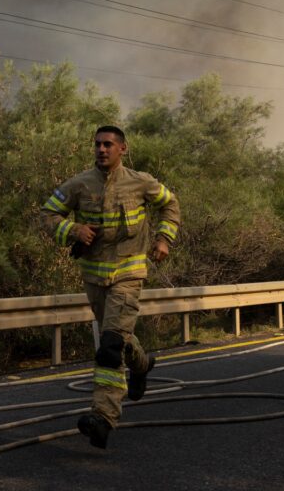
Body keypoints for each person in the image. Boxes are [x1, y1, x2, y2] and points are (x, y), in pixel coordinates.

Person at [41, 125, 181, 449]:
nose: (102, 150)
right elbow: (47, 213)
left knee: (109, 347)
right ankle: (142, 365)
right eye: (98, 145)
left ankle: (103, 418)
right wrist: (73, 229)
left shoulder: (141, 182)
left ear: (123, 149)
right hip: (95, 279)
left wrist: (163, 239)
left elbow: (170, 204)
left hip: (129, 274)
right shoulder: (79, 184)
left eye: (108, 145)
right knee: (116, 339)